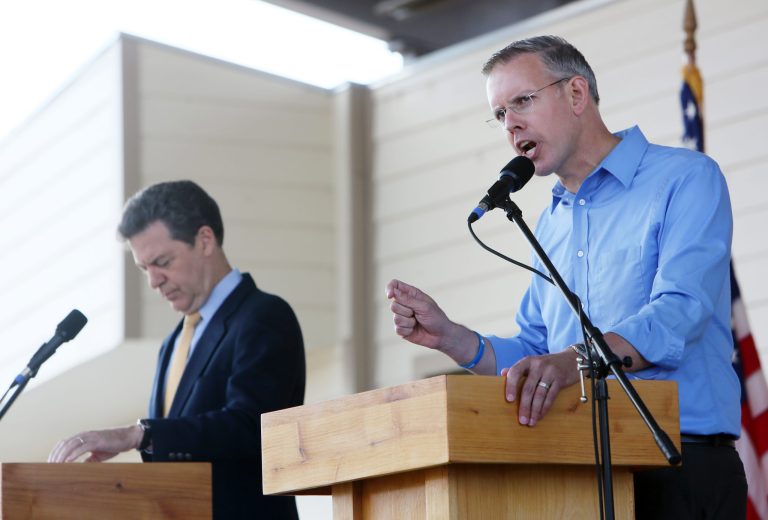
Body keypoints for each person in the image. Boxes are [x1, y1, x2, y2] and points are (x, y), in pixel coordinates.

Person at [386, 35, 746, 518]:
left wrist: (572, 362)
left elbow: (681, 311)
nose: (511, 124)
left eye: (522, 102)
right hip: (574, 469)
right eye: (499, 115)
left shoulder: (685, 178)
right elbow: (537, 352)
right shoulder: (551, 223)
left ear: (577, 94)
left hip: (678, 463)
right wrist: (453, 339)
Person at [49, 180, 305, 520]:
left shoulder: (263, 316)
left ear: (205, 240)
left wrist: (138, 434)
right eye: (144, 269)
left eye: (162, 262)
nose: (154, 281)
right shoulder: (173, 343)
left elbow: (250, 426)